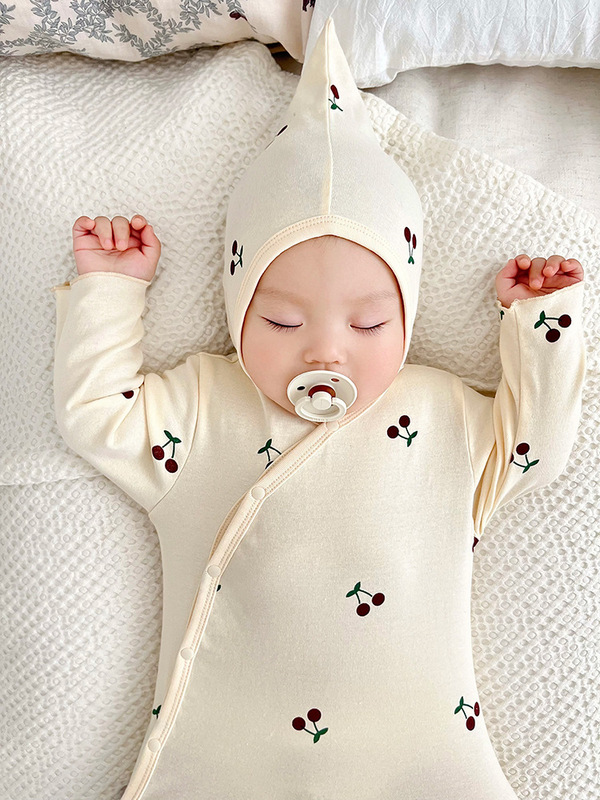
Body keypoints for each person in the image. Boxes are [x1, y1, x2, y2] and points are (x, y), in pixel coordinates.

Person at [50, 16, 586, 800]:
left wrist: (539, 325)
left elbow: (534, 447)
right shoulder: (202, 409)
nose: (325, 352)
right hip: (228, 761)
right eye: (280, 321)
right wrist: (109, 289)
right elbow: (96, 414)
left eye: (368, 325)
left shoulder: (441, 415)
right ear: (236, 305)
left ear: (407, 318)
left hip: (422, 758)